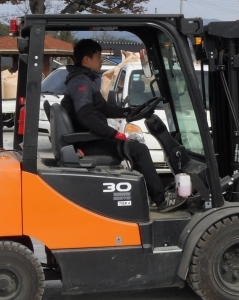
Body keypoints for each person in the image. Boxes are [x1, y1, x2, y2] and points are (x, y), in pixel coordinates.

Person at [61, 39, 185, 212]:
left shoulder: (83, 79)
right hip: (88, 144)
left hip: (87, 140)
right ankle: (161, 200)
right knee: (138, 150)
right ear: (86, 60)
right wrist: (114, 134)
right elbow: (85, 115)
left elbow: (103, 108)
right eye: (98, 56)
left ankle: (152, 194)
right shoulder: (81, 82)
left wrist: (128, 112)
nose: (101, 60)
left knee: (135, 148)